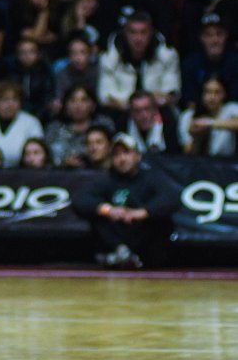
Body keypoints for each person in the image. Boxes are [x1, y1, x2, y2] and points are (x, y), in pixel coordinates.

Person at [72, 134, 178, 268]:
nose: (121, 159)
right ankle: (120, 254)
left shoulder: (151, 177)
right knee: (98, 215)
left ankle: (134, 258)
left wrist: (141, 213)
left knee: (161, 221)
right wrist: (108, 210)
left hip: (145, 238)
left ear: (137, 156)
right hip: (117, 237)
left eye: (126, 153)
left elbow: (172, 197)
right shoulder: (108, 179)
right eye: (116, 155)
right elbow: (80, 199)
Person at [179, 77, 238, 156]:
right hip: (200, 164)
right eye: (208, 92)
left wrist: (209, 123)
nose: (212, 97)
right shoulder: (188, 116)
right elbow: (188, 153)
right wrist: (197, 139)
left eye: (217, 92)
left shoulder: (230, 109)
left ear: (224, 94)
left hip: (226, 162)